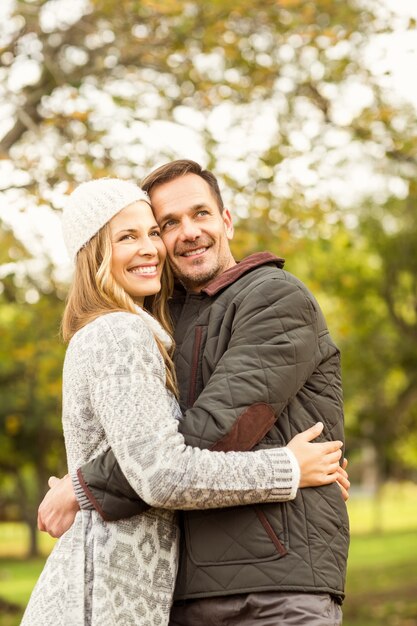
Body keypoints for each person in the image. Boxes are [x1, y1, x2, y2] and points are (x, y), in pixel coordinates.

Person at [22, 177, 345, 626]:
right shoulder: (144, 323)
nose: (185, 232)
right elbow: (159, 458)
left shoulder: (273, 298)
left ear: (227, 220)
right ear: (97, 253)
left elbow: (214, 434)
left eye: (200, 213)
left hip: (271, 585)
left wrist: (83, 488)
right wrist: (288, 467)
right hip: (174, 590)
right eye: (167, 223)